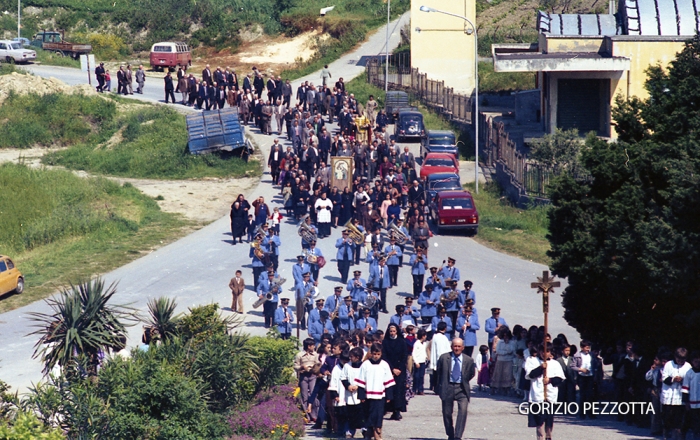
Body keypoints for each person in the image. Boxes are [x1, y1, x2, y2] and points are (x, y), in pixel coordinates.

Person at [436, 337, 476, 440]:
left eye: (459, 346)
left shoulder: (469, 360)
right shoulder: (444, 358)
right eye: (455, 346)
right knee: (447, 413)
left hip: (462, 388)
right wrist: (439, 388)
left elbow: (471, 373)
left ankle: (458, 436)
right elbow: (439, 373)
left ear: (463, 347)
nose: (457, 348)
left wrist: (463, 380)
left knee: (463, 411)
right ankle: (450, 434)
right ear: (451, 347)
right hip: (448, 387)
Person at [355, 342, 395, 440]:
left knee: (378, 414)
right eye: (374, 354)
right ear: (371, 353)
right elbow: (361, 381)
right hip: (368, 395)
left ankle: (378, 433)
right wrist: (361, 395)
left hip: (380, 395)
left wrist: (389, 396)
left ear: (381, 354)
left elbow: (388, 381)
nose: (376, 356)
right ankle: (369, 433)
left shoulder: (384, 365)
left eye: (378, 354)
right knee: (368, 414)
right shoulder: (366, 365)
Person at [661, 347, 691, 440]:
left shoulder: (688, 367)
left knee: (678, 418)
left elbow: (690, 381)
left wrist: (682, 380)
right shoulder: (668, 364)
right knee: (667, 417)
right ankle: (666, 432)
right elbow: (664, 378)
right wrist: (673, 379)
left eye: (683, 360)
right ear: (675, 357)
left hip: (679, 397)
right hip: (668, 395)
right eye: (678, 360)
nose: (680, 362)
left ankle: (677, 435)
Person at [295, 338, 322, 423]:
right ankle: (306, 416)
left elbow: (318, 364)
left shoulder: (315, 354)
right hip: (304, 376)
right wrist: (302, 367)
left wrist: (315, 368)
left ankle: (314, 415)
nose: (314, 347)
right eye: (312, 345)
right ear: (308, 346)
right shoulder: (299, 355)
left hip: (312, 376)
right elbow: (295, 366)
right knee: (304, 396)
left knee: (313, 395)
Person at [571, 340, 600, 419]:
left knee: (590, 395)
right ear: (582, 347)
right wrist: (581, 369)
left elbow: (595, 365)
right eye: (586, 348)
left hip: (590, 376)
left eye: (589, 348)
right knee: (583, 395)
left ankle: (591, 413)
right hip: (582, 377)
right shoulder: (577, 356)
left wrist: (595, 374)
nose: (588, 349)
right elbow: (573, 366)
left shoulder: (591, 355)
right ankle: (582, 413)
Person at [430, 321, 452, 391]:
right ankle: (438, 389)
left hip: (437, 358)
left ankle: (436, 387)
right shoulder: (442, 338)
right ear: (445, 328)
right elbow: (442, 350)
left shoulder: (435, 336)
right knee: (441, 375)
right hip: (441, 359)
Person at [412, 328, 428, 395]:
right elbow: (414, 353)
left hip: (423, 361)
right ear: (422, 336)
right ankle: (414, 389)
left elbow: (424, 351)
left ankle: (420, 389)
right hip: (418, 362)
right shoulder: (416, 343)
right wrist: (416, 362)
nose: (426, 337)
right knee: (416, 376)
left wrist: (426, 357)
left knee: (421, 376)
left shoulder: (424, 344)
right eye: (425, 335)